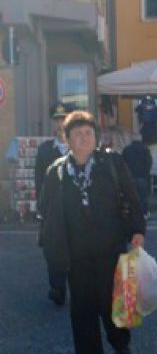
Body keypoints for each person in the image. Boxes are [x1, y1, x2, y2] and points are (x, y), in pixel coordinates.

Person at [38, 111, 146, 354]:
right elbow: (46, 208)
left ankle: (121, 345)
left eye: (89, 133)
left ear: (96, 136)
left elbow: (131, 196)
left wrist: (137, 229)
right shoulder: (57, 172)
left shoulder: (112, 163)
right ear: (66, 139)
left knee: (115, 305)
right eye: (77, 134)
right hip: (76, 257)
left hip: (112, 250)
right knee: (83, 312)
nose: (85, 138)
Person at [35, 103, 70, 306]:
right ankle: (57, 288)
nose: (60, 123)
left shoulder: (80, 147)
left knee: (77, 251)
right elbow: (39, 181)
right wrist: (42, 209)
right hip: (53, 211)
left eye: (64, 119)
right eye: (57, 120)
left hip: (76, 211)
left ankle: (78, 287)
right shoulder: (45, 150)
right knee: (53, 250)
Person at [122, 134, 153, 219]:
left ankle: (133, 214)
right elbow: (149, 163)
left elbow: (122, 164)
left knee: (131, 197)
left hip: (130, 177)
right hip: (142, 177)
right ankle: (144, 214)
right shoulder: (145, 149)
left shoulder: (126, 150)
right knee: (143, 197)